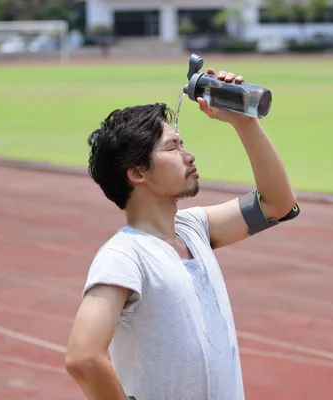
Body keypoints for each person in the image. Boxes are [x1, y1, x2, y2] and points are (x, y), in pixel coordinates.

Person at [64, 67, 299, 400]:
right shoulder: (125, 256)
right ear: (137, 172)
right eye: (172, 148)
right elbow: (83, 358)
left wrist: (244, 122)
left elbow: (278, 203)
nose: (188, 156)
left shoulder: (193, 229)